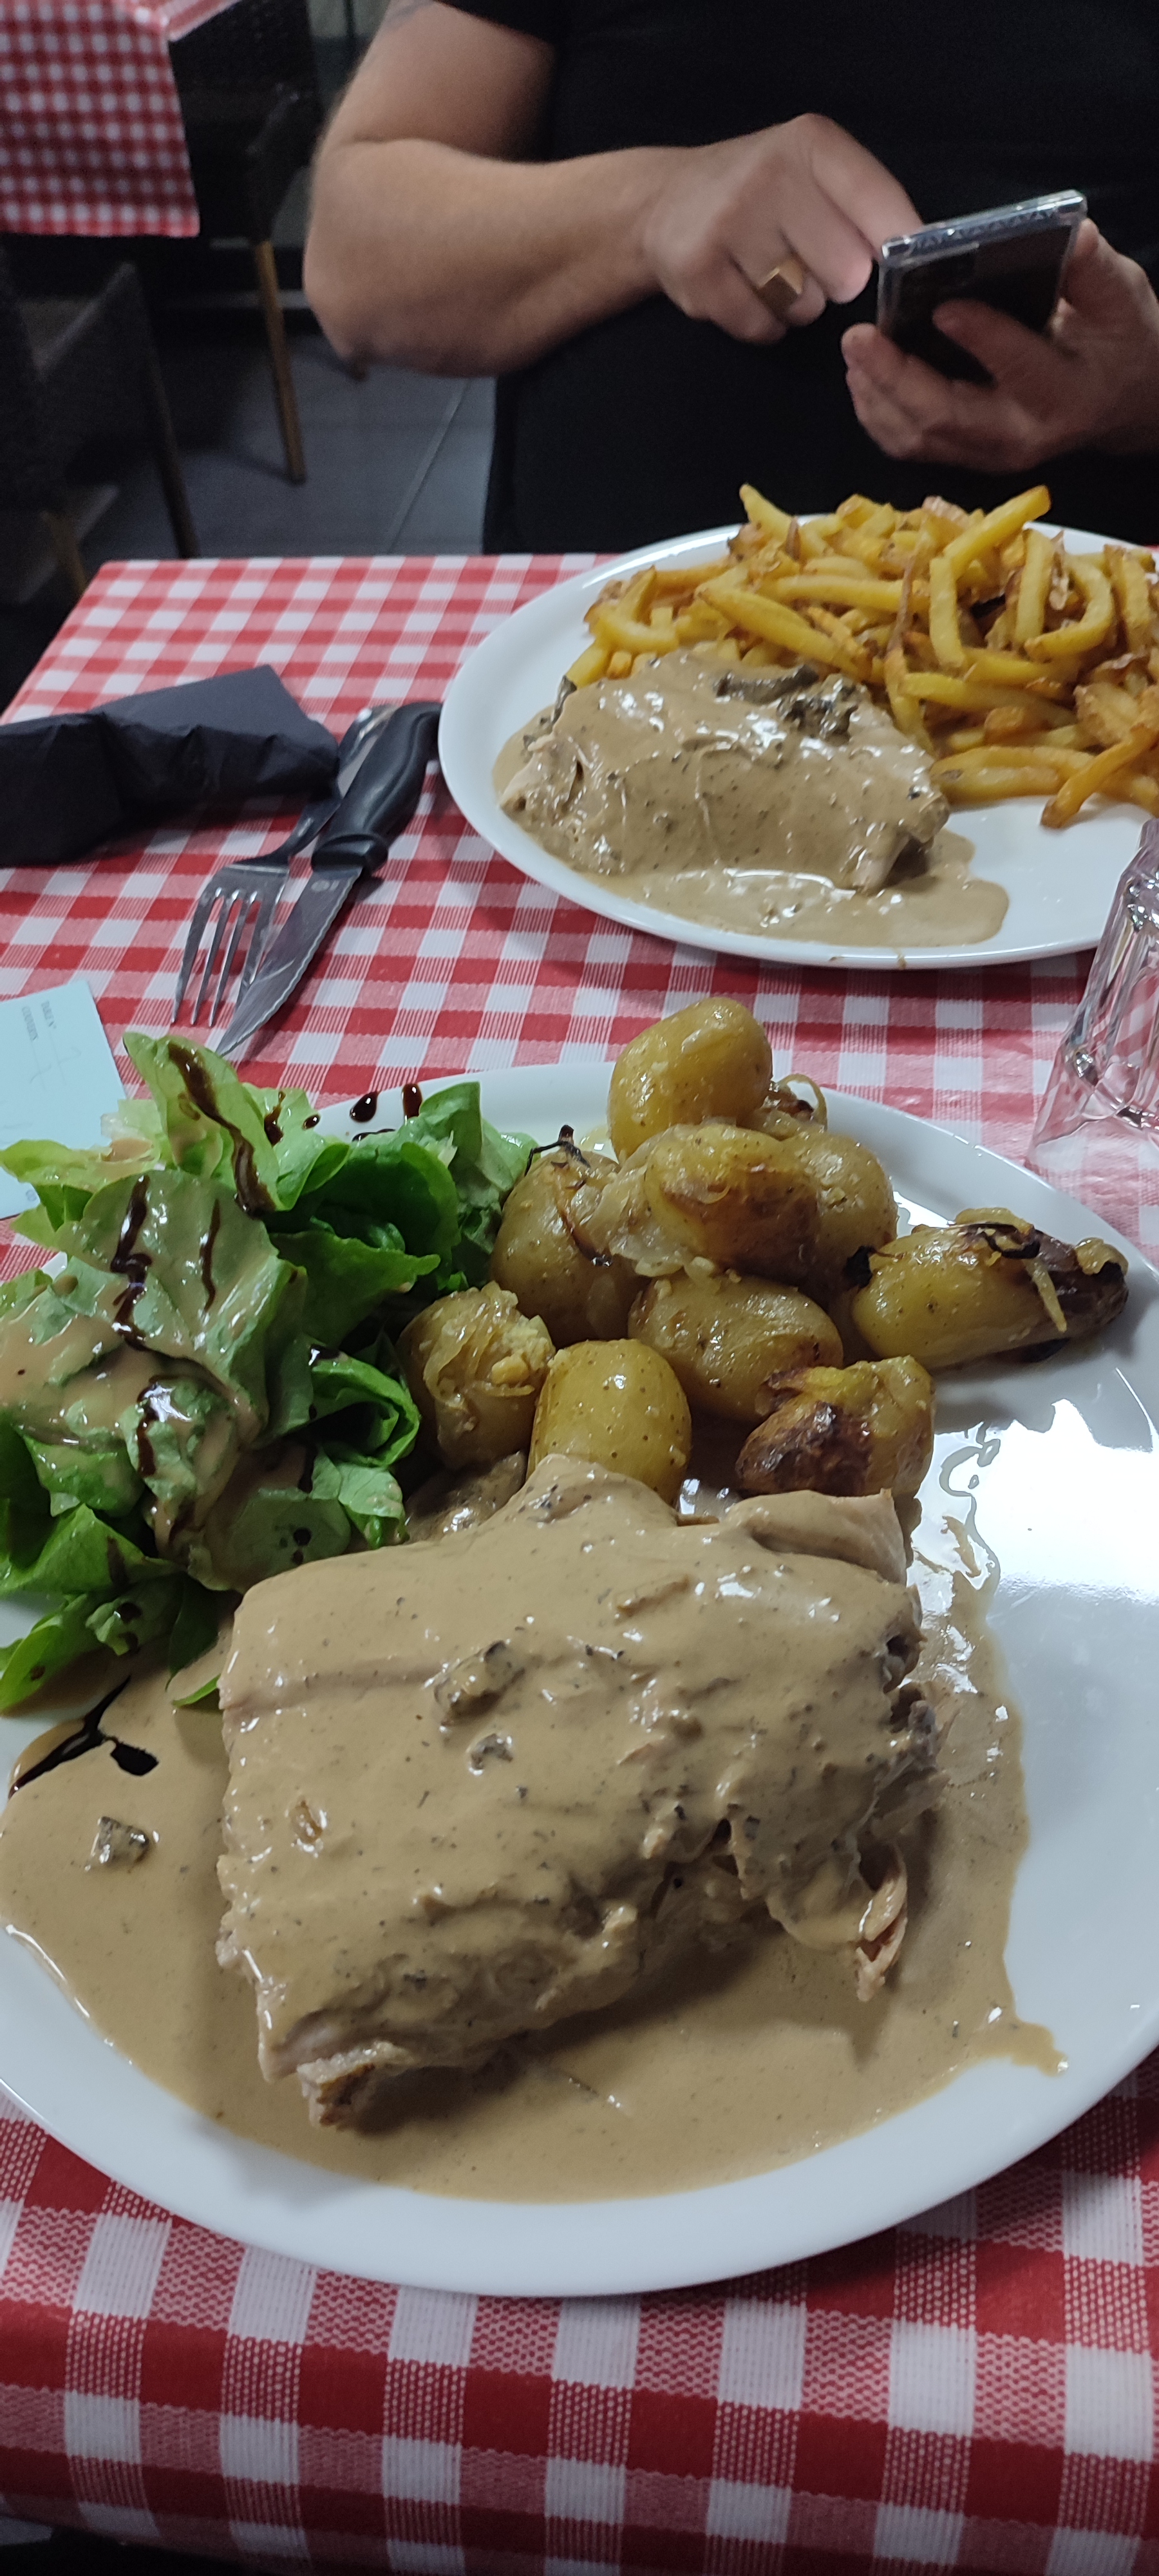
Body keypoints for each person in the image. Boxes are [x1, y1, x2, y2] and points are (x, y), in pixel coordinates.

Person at [305, 0, 1159, 551]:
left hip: (1094, 672)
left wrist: (1140, 391)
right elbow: (358, 262)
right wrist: (651, 208)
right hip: (624, 654)